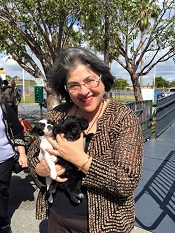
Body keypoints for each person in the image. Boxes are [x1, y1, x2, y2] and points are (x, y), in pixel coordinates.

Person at [27, 47, 144, 233]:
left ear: (103, 79)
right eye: (74, 85)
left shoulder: (123, 118)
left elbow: (127, 180)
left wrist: (81, 160)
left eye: (90, 80)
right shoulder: (57, 114)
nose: (83, 91)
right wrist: (39, 170)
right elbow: (33, 153)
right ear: (65, 88)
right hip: (57, 217)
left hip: (104, 224)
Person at [0, 101, 27, 233]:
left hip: (4, 159)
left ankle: (3, 224)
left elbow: (17, 130)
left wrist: (22, 154)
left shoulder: (3, 108)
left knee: (1, 191)